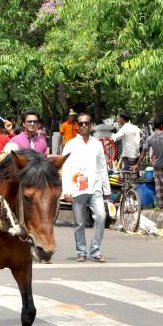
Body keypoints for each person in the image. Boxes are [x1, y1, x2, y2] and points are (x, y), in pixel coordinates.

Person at [62, 112, 111, 262]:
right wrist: (67, 190)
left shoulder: (97, 144)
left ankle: (95, 250)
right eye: (81, 123)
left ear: (91, 125)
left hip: (95, 188)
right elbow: (66, 168)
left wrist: (107, 190)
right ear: (77, 126)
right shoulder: (71, 144)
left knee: (101, 217)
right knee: (79, 222)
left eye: (87, 123)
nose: (84, 126)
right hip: (78, 189)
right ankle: (81, 252)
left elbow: (102, 167)